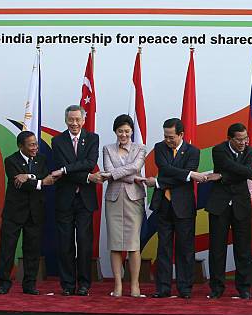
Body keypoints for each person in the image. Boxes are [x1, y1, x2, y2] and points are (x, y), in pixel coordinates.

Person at [137, 118, 207, 299]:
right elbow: (166, 169)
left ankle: (185, 288)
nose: (167, 140)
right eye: (165, 136)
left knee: (185, 249)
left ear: (181, 135)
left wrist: (158, 182)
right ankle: (163, 288)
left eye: (171, 137)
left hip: (183, 206)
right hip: (164, 206)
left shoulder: (193, 152)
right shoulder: (160, 148)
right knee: (164, 248)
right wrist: (190, 175)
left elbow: (176, 177)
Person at [205, 123, 252, 299]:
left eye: (245, 138)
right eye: (239, 139)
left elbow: (241, 173)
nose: (243, 142)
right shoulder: (218, 150)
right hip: (219, 204)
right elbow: (233, 167)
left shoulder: (250, 152)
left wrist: (221, 176)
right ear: (230, 139)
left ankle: (244, 287)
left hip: (241, 204)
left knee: (243, 248)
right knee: (217, 248)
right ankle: (217, 288)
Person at [0, 131, 55, 295]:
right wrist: (38, 181)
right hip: (13, 213)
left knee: (32, 250)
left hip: (35, 212)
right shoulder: (10, 160)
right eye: (31, 144)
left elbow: (45, 176)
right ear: (21, 146)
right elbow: (19, 183)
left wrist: (28, 175)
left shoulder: (41, 159)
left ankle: (29, 285)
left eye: (36, 143)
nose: (35, 147)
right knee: (7, 250)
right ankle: (4, 285)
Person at [51, 105, 102, 296]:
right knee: (65, 244)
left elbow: (90, 163)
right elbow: (62, 169)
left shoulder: (92, 138)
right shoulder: (57, 141)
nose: (74, 123)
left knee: (84, 242)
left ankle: (84, 284)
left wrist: (66, 170)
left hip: (85, 200)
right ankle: (67, 284)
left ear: (83, 120)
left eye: (77, 120)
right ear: (66, 120)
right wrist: (87, 177)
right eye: (70, 120)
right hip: (64, 199)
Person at [102, 114, 147, 298]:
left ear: (131, 132)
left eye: (127, 131)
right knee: (115, 244)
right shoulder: (107, 148)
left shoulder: (140, 148)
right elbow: (108, 170)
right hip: (113, 199)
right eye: (120, 131)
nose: (123, 134)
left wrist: (113, 174)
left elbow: (133, 167)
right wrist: (133, 178)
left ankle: (135, 285)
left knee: (133, 244)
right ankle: (118, 285)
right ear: (115, 131)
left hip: (134, 199)